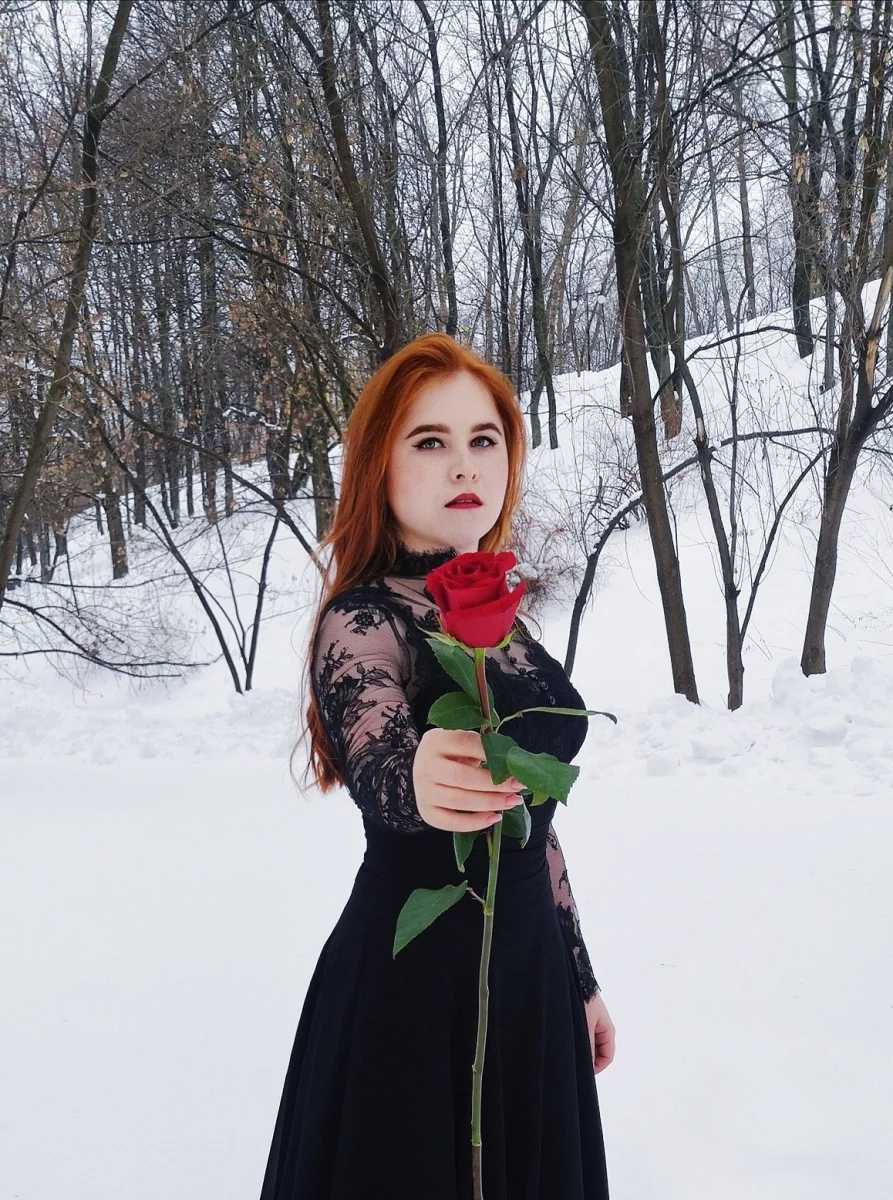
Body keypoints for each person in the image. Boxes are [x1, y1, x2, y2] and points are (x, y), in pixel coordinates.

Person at [259, 333, 615, 1199]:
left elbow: (534, 820)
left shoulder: (502, 617)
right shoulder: (362, 619)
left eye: (483, 439)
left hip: (527, 976)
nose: (464, 464)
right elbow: (381, 762)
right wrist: (422, 775)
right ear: (378, 465)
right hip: (413, 990)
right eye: (429, 441)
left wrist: (579, 978)